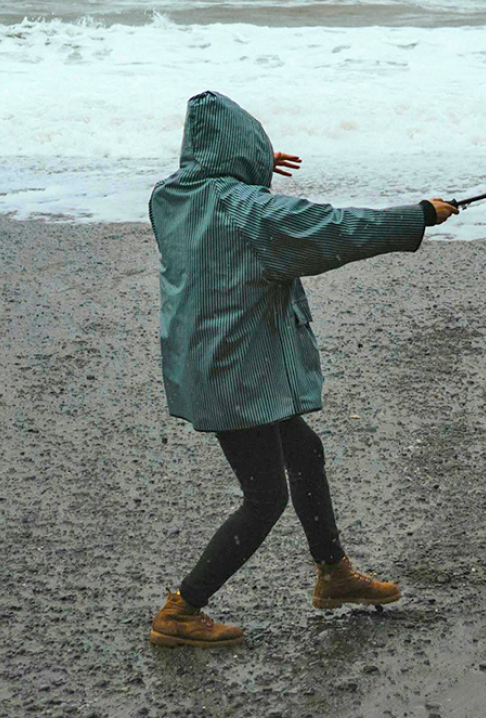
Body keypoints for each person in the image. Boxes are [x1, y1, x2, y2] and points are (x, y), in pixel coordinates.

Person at [147, 90, 458, 648]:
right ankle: (183, 609)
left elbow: (223, 193)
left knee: (304, 451)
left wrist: (251, 166)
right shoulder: (248, 211)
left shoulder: (171, 198)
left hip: (209, 359)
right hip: (236, 373)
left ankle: (334, 574)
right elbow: (333, 229)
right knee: (265, 497)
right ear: (240, 152)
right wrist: (418, 217)